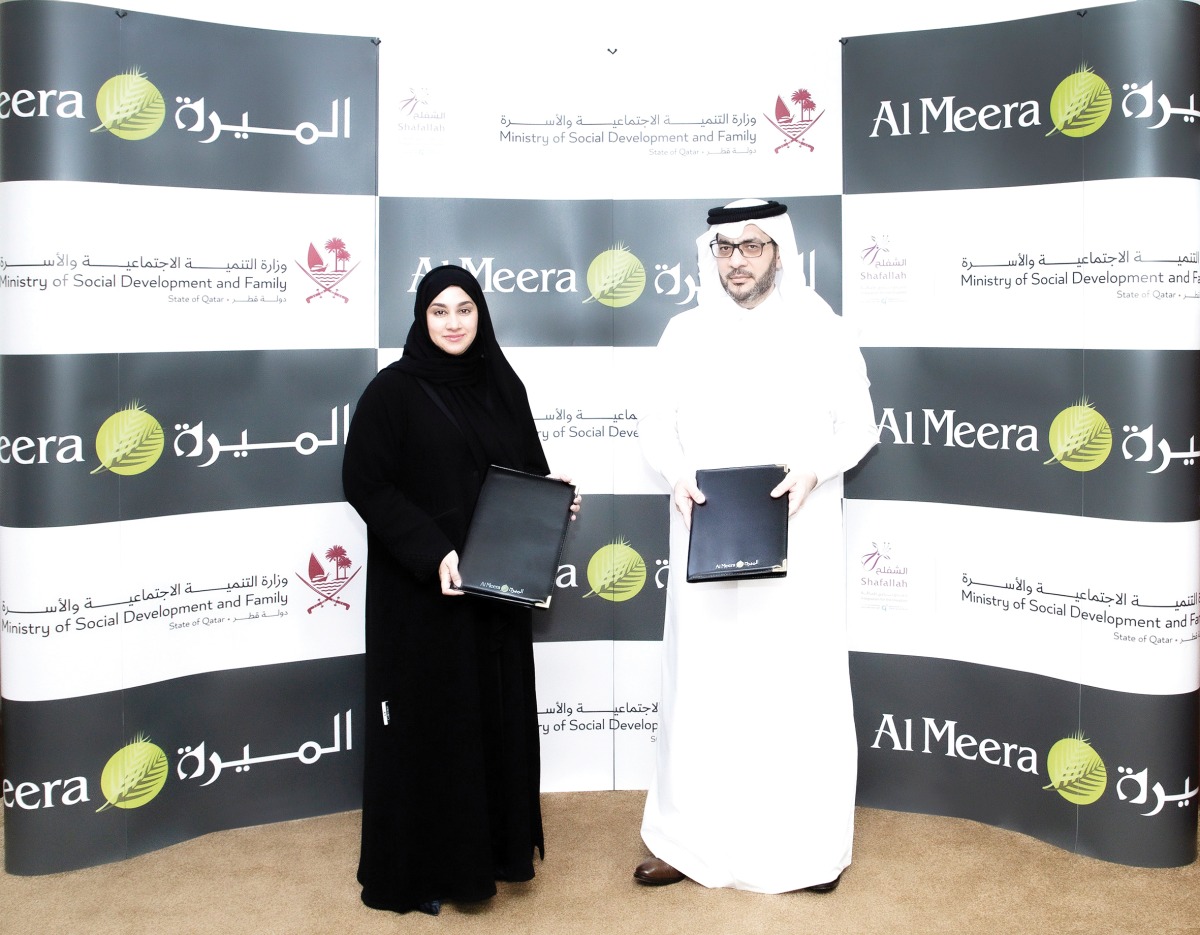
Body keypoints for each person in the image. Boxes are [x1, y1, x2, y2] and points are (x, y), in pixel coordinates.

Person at [634, 199, 878, 894]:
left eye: (751, 246)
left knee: (794, 689)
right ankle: (686, 842)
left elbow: (860, 426)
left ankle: (807, 849)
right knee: (700, 689)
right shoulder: (684, 332)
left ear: (778, 251)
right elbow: (655, 424)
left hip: (798, 535)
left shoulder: (821, 328)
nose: (736, 260)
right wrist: (677, 474)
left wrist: (815, 470)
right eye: (725, 247)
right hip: (706, 532)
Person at [343, 264, 576, 915]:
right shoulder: (392, 391)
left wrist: (555, 502)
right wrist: (433, 550)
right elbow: (365, 483)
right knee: (436, 727)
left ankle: (495, 854)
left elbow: (528, 472)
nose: (453, 322)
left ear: (481, 315)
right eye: (439, 310)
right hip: (424, 597)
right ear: (422, 318)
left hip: (496, 592)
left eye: (465, 309)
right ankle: (430, 868)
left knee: (492, 718)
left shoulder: (503, 383)